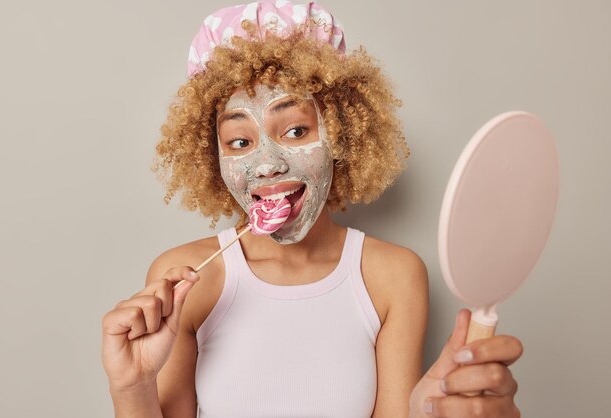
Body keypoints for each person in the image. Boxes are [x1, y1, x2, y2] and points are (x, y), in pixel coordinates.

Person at [101, 1, 523, 417]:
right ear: (213, 157)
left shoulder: (393, 275)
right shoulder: (186, 279)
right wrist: (132, 388)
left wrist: (426, 412)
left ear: (341, 134)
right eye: (240, 141)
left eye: (296, 130)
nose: (267, 164)